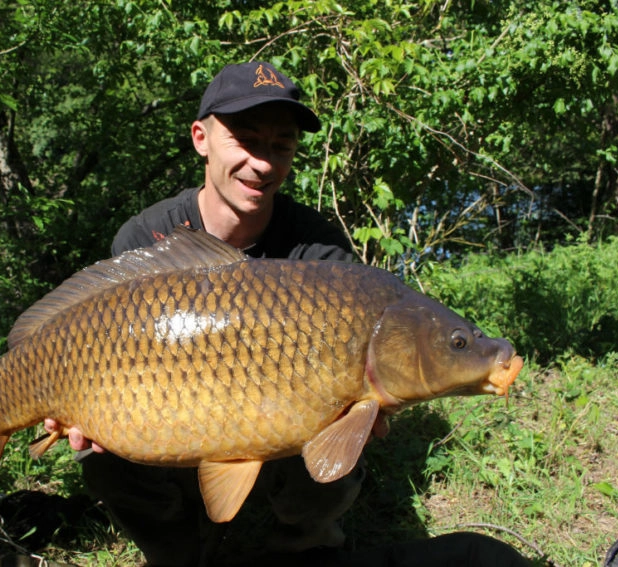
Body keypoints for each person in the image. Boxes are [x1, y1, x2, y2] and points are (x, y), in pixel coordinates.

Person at [43, 62, 531, 567]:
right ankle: (178, 553)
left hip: (274, 427)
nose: (262, 163)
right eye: (246, 140)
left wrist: (372, 407)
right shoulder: (147, 237)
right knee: (99, 453)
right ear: (200, 138)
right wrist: (69, 400)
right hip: (165, 421)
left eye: (280, 146)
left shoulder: (319, 248)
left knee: (335, 425)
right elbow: (87, 335)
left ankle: (298, 549)